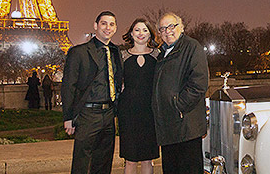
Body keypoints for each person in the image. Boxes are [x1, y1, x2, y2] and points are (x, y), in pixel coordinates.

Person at [61, 11, 123, 174]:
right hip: (87, 113)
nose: (107, 28)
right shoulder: (78, 52)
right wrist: (68, 117)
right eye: (103, 23)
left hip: (109, 113)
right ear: (95, 26)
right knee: (82, 162)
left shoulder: (115, 52)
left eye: (111, 24)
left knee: (104, 161)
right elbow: (68, 85)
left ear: (115, 28)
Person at [152, 13, 209, 174]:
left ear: (181, 27)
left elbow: (199, 83)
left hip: (186, 125)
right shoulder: (163, 53)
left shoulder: (192, 47)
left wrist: (177, 105)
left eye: (171, 26)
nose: (167, 31)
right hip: (169, 126)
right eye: (162, 28)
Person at [118, 18, 160, 174]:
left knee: (147, 159)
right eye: (137, 30)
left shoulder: (158, 55)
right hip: (128, 112)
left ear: (150, 34)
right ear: (131, 33)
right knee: (130, 159)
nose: (141, 33)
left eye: (145, 30)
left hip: (150, 112)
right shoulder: (122, 56)